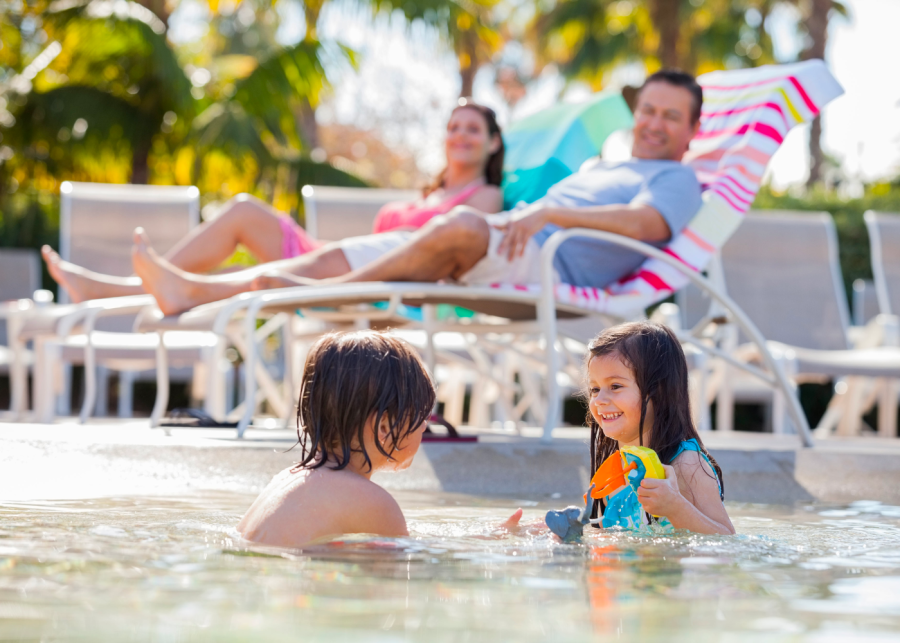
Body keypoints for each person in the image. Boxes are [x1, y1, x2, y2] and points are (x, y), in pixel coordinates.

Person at [67, 68, 704, 316]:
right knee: (317, 261)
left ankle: (323, 297)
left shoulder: (679, 180)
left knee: (453, 229)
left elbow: (648, 227)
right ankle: (194, 290)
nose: (652, 123)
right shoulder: (603, 166)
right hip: (496, 244)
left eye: (668, 116)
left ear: (690, 130)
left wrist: (545, 211)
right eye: (646, 110)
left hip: (546, 266)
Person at [42, 100, 504, 303]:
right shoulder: (425, 196)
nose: (459, 136)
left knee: (242, 265)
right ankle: (122, 287)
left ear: (493, 144)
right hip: (343, 264)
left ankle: (116, 289)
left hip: (383, 286)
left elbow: (447, 252)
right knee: (244, 211)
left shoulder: (482, 196)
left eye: (472, 129)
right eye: (453, 127)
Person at [237, 330, 436, 547]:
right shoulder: (373, 503)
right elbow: (397, 572)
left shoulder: (285, 480)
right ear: (384, 426)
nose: (425, 426)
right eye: (422, 417)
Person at [585, 321, 734, 534]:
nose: (599, 399)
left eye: (615, 386)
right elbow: (605, 534)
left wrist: (675, 507)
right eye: (595, 389)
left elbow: (726, 539)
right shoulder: (619, 468)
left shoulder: (686, 464)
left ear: (659, 392)